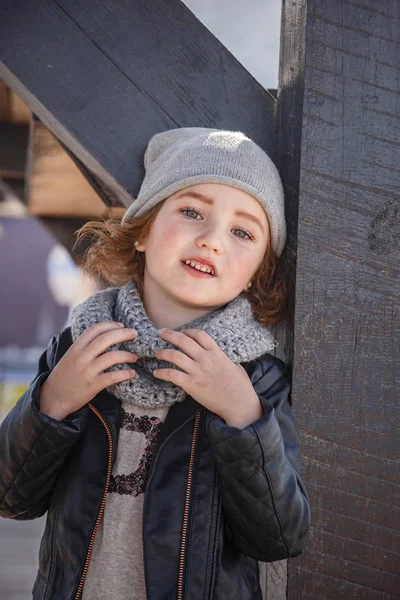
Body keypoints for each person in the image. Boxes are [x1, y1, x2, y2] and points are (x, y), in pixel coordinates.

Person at [0, 127, 310, 600]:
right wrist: (51, 404)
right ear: (143, 230)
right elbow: (10, 498)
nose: (212, 240)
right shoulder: (79, 349)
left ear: (257, 274)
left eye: (242, 231)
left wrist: (243, 419)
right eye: (191, 211)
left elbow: (280, 537)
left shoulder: (257, 381)